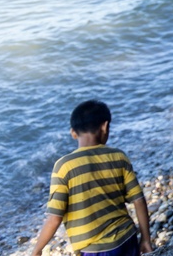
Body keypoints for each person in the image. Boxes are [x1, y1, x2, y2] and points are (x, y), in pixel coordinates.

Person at [31, 100, 152, 256]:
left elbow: (55, 218)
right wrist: (146, 239)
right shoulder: (118, 156)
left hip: (94, 249)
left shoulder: (64, 166)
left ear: (73, 133)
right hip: (127, 238)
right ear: (105, 126)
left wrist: (37, 250)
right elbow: (139, 200)